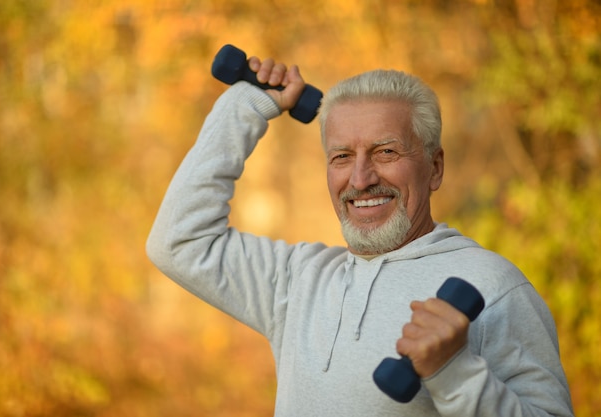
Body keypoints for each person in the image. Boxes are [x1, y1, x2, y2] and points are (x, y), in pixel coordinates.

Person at [146, 54, 574, 416]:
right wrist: (248, 104)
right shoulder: (299, 282)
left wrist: (455, 372)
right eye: (342, 156)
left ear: (435, 167)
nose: (361, 178)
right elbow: (181, 242)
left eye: (386, 152)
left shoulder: (494, 287)